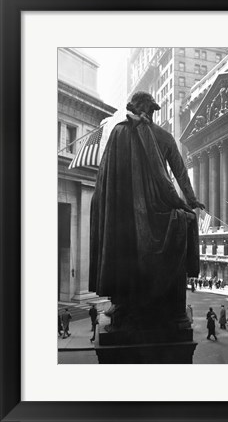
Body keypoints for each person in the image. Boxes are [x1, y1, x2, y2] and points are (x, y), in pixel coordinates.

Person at [89, 92, 204, 331]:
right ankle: (123, 301)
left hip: (154, 206)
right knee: (127, 239)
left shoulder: (160, 137)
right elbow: (108, 179)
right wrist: (188, 201)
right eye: (148, 110)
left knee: (185, 221)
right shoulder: (120, 133)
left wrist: (191, 200)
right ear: (137, 108)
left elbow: (180, 171)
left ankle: (147, 302)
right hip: (127, 211)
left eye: (152, 111)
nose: (150, 115)